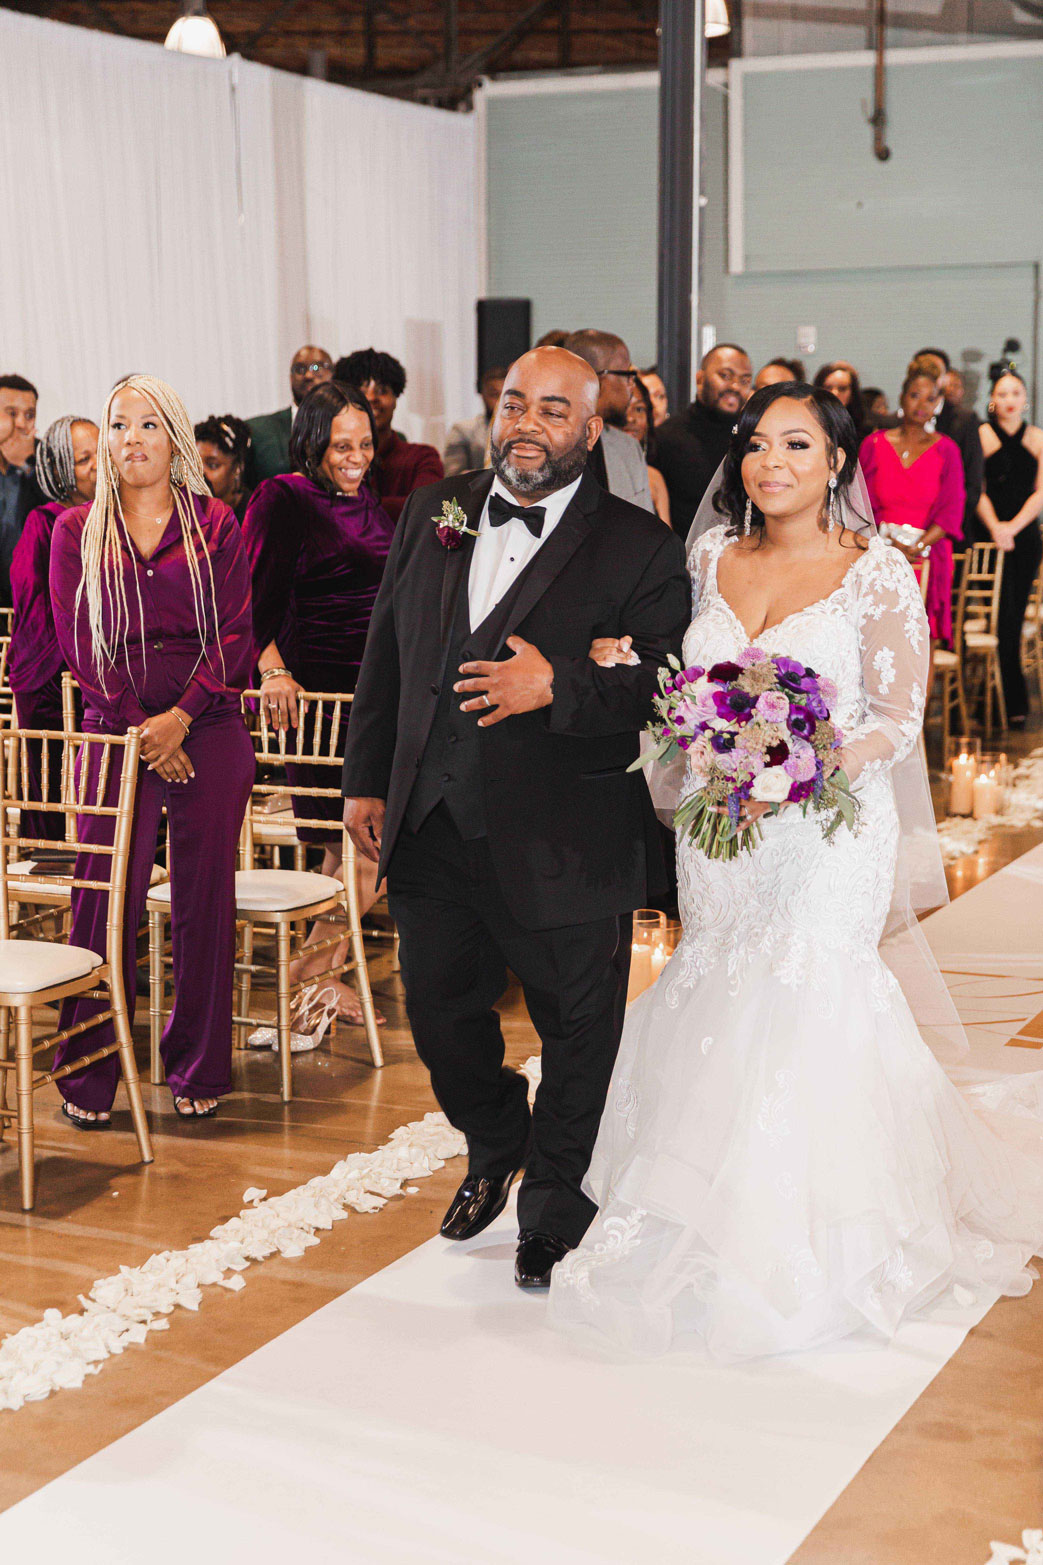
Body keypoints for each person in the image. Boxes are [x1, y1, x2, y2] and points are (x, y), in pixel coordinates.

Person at [549, 382, 1043, 1359]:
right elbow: (675, 677)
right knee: (722, 986)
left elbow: (896, 720)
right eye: (755, 444)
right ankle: (695, 1208)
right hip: (717, 828)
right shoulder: (705, 557)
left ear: (833, 464)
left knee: (806, 994)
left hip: (822, 833)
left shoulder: (873, 572)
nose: (769, 460)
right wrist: (696, 742)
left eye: (795, 444)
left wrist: (797, 767)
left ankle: (806, 1242)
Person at [342, 346, 690, 1290]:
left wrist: (559, 683)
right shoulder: (435, 508)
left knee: (578, 1027)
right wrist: (366, 777)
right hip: (430, 820)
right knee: (439, 1015)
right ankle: (495, 1141)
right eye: (512, 403)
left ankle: (553, 1205)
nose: (527, 422)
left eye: (551, 408)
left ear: (591, 426)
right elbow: (388, 646)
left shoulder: (639, 543)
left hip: (565, 833)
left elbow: (670, 683)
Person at [49, 375, 255, 1126]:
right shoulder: (76, 531)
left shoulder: (216, 524)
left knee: (205, 902)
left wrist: (182, 717)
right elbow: (79, 644)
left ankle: (197, 1065)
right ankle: (89, 1074)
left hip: (210, 731)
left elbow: (235, 633)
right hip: (116, 732)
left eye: (147, 424)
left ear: (175, 438)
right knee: (102, 902)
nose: (130, 437)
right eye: (117, 424)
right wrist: (143, 726)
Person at [241, 381, 394, 1028]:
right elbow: (242, 597)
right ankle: (297, 989)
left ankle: (314, 983)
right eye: (340, 445)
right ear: (311, 442)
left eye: (364, 443)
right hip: (325, 704)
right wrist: (272, 670)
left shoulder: (374, 505)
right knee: (369, 846)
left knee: (355, 851)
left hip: (376, 698)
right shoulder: (283, 497)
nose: (355, 456)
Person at [9, 415, 98, 841]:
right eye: (84, 459)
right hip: (52, 679)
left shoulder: (116, 518)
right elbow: (37, 607)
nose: (100, 464)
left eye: (102, 451)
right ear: (62, 470)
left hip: (103, 674)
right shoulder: (43, 523)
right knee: (53, 791)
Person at [860, 367, 964, 651]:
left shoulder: (947, 450)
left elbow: (952, 509)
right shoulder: (873, 443)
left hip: (927, 557)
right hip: (878, 554)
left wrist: (916, 547)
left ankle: (924, 698)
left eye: (930, 399)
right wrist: (888, 545)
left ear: (937, 405)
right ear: (902, 398)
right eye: (915, 395)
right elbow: (859, 504)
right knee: (875, 641)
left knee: (920, 643)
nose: (921, 405)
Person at [976, 371, 1043, 727]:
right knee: (994, 616)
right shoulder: (982, 435)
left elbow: (1040, 492)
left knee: (1012, 620)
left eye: (1016, 392)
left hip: (1025, 538)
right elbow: (977, 488)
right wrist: (996, 527)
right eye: (1003, 393)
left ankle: (1013, 700)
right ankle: (985, 699)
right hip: (988, 534)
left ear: (1026, 399)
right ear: (992, 399)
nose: (1010, 399)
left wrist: (1013, 528)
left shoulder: (1038, 438)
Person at [334, 347, 443, 524]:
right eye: (361, 391)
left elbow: (426, 509)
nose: (371, 398)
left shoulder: (423, 458)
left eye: (382, 390)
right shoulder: (333, 457)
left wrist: (353, 505)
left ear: (395, 399)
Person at [656, 344, 753, 533]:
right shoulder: (666, 437)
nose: (735, 386)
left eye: (744, 380)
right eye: (725, 376)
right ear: (700, 379)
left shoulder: (753, 438)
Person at [563, 330, 654, 513]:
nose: (631, 385)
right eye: (627, 375)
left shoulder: (628, 448)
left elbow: (643, 525)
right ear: (598, 379)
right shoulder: (543, 442)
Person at [914, 348, 983, 545]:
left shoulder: (965, 420)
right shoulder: (894, 426)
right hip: (900, 533)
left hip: (950, 534)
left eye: (935, 371)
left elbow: (973, 485)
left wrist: (943, 525)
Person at [247, 345, 333, 485]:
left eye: (316, 368)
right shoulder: (257, 430)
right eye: (300, 369)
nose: (308, 375)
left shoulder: (349, 425)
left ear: (332, 374)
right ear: (290, 377)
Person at [0, 374, 44, 604]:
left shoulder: (44, 458)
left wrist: (27, 463)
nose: (21, 424)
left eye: (29, 415)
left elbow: (59, 508)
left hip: (29, 601)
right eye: (11, 413)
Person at [624, 374, 671, 524]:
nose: (631, 419)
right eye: (625, 408)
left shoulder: (655, 477)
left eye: (639, 409)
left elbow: (667, 537)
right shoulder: (592, 470)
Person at [443, 365, 505, 476]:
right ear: (482, 395)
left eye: (506, 395)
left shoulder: (523, 431)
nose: (500, 402)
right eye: (494, 395)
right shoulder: (463, 430)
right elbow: (453, 477)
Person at [195, 414, 253, 522]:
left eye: (212, 465)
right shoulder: (190, 512)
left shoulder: (254, 516)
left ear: (237, 468)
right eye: (195, 464)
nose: (200, 473)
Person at [813, 361, 868, 440]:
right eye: (828, 388)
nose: (834, 393)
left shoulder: (866, 429)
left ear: (852, 393)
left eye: (842, 388)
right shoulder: (805, 424)